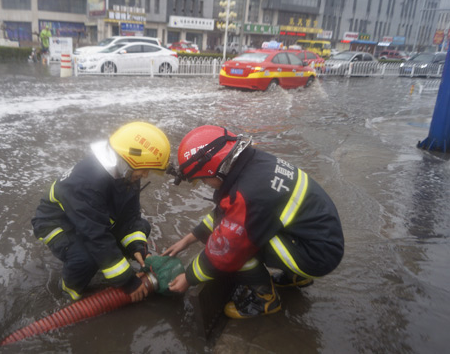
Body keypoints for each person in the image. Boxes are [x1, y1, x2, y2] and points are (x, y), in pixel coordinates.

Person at [163, 125, 344, 319]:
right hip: (319, 237)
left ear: (214, 171)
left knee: (238, 247)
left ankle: (265, 299)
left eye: (203, 180)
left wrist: (189, 277)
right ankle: (295, 278)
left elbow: (225, 249)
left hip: (317, 256)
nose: (205, 185)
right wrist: (190, 238)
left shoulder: (248, 194)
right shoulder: (254, 162)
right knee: (244, 230)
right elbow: (227, 213)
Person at [31, 122, 171, 302]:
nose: (145, 175)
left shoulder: (127, 174)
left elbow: (130, 218)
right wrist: (128, 283)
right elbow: (96, 235)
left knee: (141, 227)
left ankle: (109, 262)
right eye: (145, 169)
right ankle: (69, 288)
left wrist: (138, 248)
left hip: (88, 219)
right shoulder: (86, 182)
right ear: (129, 159)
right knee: (86, 258)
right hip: (56, 223)